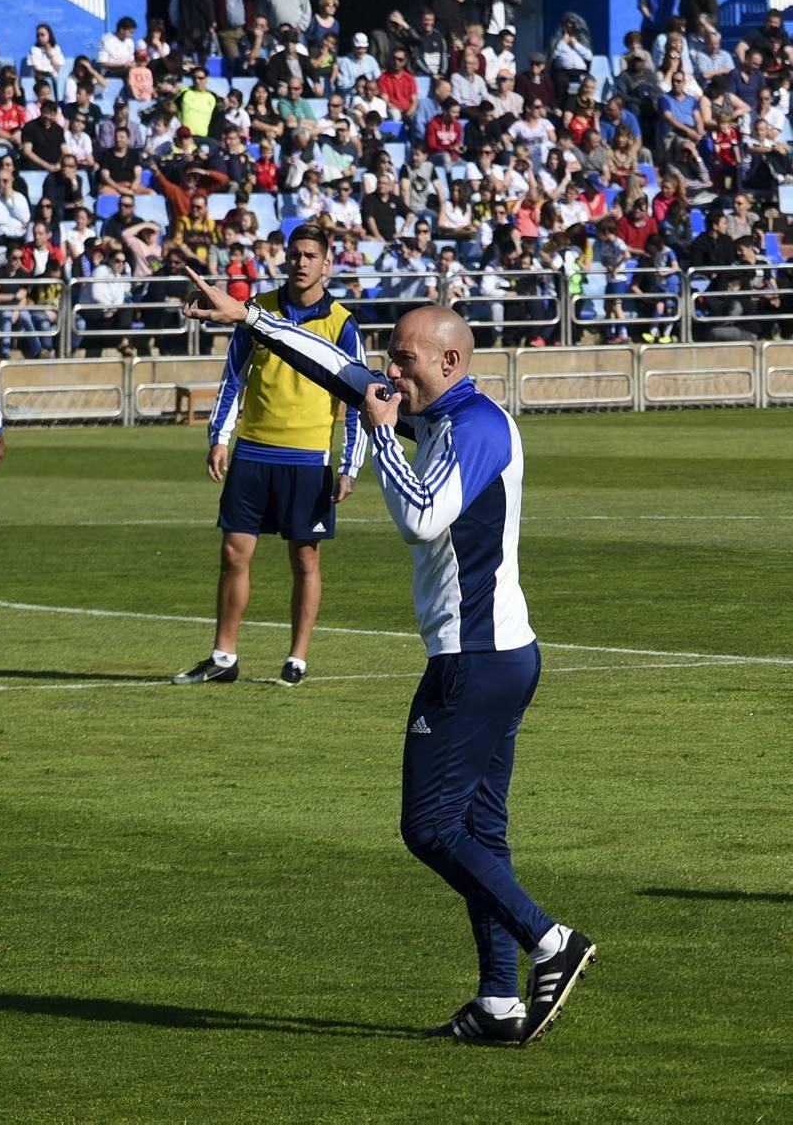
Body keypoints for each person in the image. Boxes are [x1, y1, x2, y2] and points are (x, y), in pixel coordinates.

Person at [181, 275, 598, 1047]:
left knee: (430, 827)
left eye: (403, 361)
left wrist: (374, 430)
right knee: (481, 831)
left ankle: (551, 940)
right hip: (496, 654)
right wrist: (252, 318)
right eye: (388, 358)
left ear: (449, 359)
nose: (389, 372)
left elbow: (421, 517)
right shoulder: (435, 406)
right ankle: (500, 1001)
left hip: (477, 660)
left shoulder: (476, 425)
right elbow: (337, 369)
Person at [171, 224, 368, 688]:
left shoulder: (342, 322)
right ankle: (224, 656)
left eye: (309, 255)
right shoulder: (254, 311)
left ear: (326, 264)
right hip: (254, 453)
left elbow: (359, 395)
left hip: (308, 459)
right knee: (234, 552)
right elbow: (232, 378)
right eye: (294, 254)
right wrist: (219, 437)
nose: (300, 262)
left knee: (305, 559)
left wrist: (350, 465)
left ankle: (296, 659)